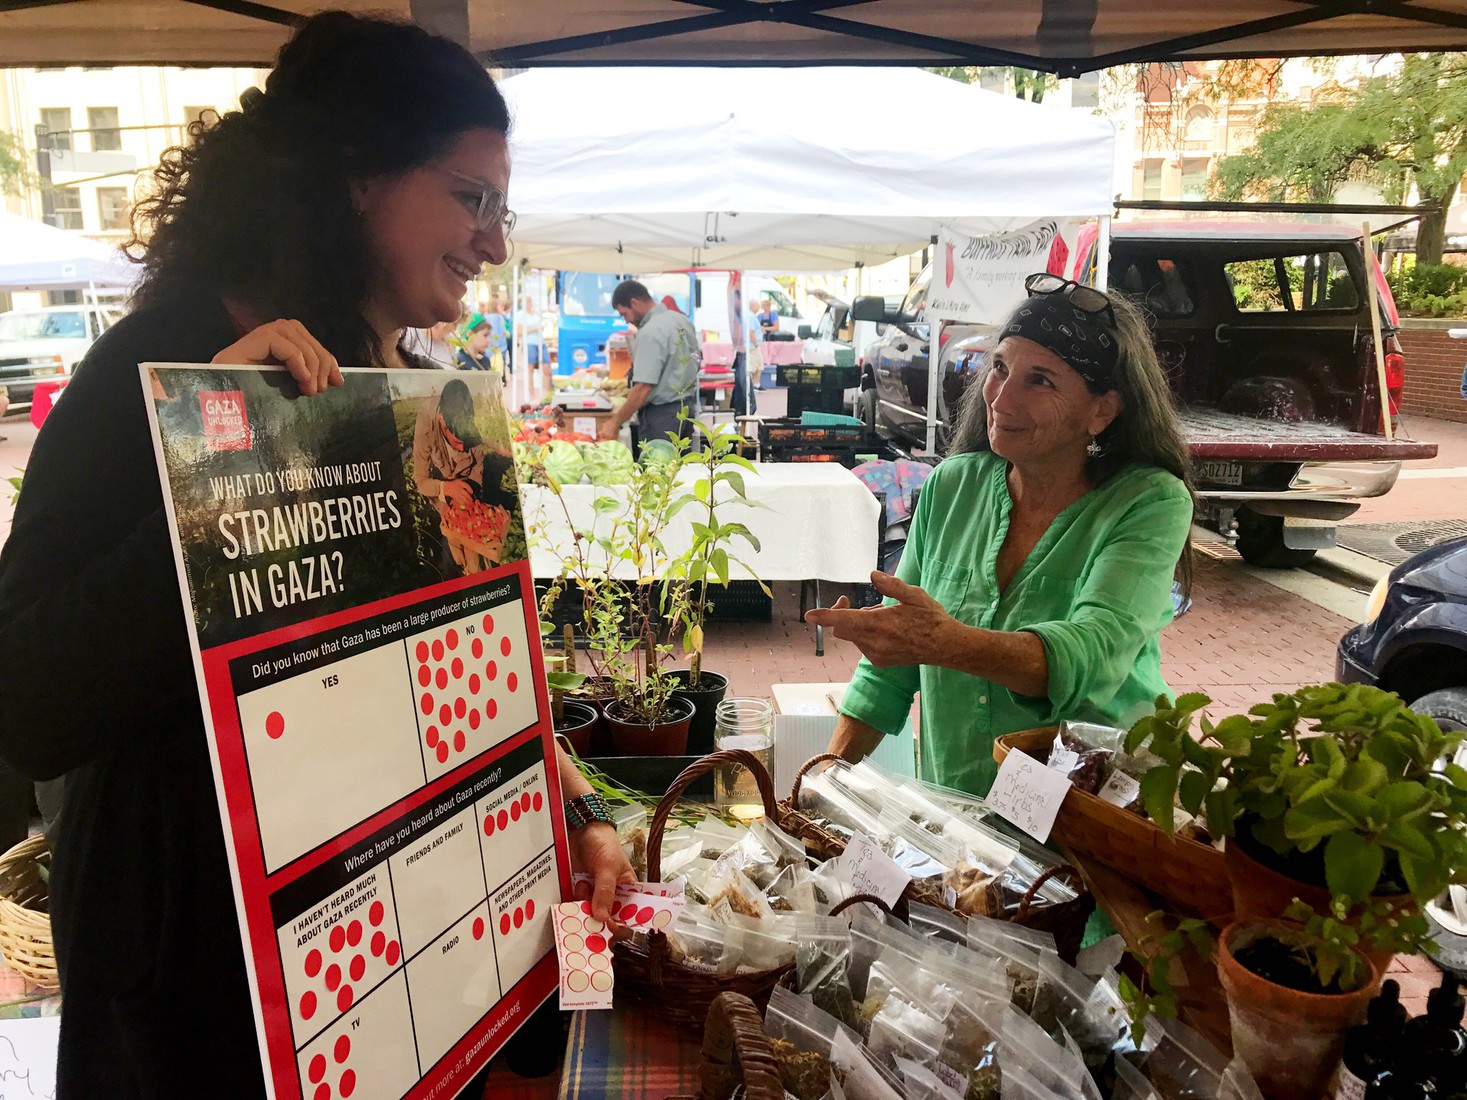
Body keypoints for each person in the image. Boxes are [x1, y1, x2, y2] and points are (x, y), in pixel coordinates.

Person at [0, 14, 633, 1096]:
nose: (492, 241)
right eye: (469, 198)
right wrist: (219, 465)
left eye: (500, 207)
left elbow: (467, 657)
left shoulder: (426, 386)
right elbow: (28, 695)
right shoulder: (169, 358)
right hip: (212, 996)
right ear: (356, 181)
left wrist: (571, 805)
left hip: (398, 966)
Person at [809, 274, 1195, 797]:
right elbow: (890, 668)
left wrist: (945, 644)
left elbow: (1092, 652)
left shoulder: (1148, 501)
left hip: (1094, 809)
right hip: (963, 807)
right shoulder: (952, 486)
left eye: (1041, 380)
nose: (1002, 397)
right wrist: (821, 783)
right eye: (999, 367)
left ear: (1102, 410)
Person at [598, 278, 702, 445]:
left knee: (657, 468)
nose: (626, 321)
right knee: (679, 468)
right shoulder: (682, 320)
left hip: (662, 417)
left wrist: (614, 422)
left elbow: (643, 388)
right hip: (686, 411)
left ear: (635, 303)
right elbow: (697, 360)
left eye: (624, 314)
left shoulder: (650, 332)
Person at [521, 293, 546, 389]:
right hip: (529, 343)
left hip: (540, 342)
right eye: (528, 302)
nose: (530, 304)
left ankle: (545, 392)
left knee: (545, 368)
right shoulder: (521, 315)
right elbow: (519, 331)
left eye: (530, 302)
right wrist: (534, 329)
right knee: (530, 368)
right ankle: (531, 393)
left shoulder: (536, 313)